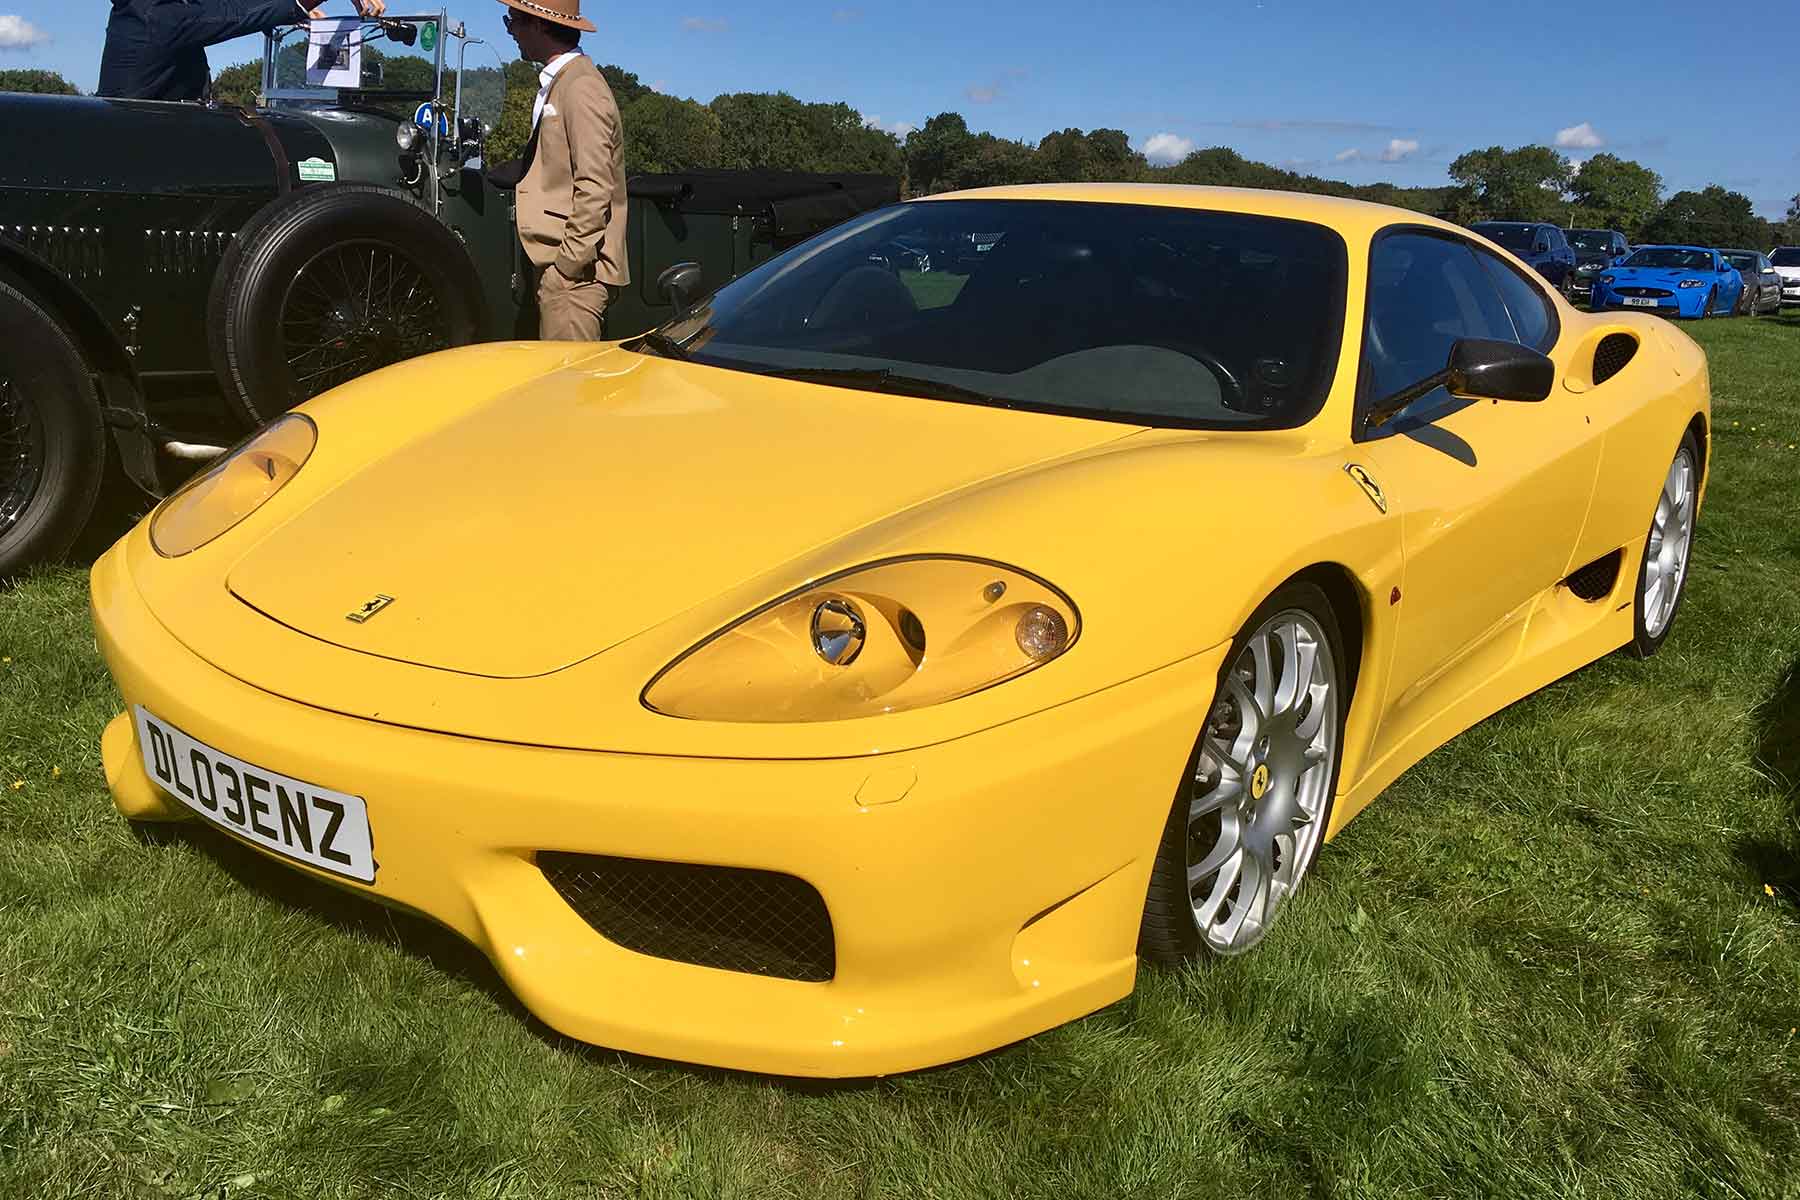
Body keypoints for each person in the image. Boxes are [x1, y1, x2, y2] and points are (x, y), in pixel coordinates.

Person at [500, 0, 628, 340]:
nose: (510, 30)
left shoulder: (581, 86)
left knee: (569, 388)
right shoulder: (564, 82)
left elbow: (597, 185)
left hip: (576, 280)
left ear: (540, 25)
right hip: (564, 272)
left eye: (513, 20)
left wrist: (565, 268)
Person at [99, 0, 386, 103]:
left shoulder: (139, 13)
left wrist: (291, 14)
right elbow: (236, 13)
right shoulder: (159, 18)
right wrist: (294, 5)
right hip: (149, 144)